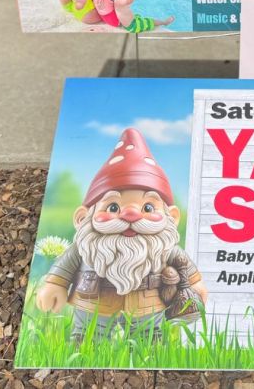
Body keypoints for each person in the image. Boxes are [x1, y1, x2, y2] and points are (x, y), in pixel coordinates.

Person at [35, 128, 207, 342]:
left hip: (147, 304)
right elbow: (66, 265)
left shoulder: (163, 248)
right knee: (87, 339)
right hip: (94, 301)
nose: (131, 215)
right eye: (113, 207)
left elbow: (184, 267)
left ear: (171, 217)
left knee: (149, 340)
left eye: (148, 208)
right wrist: (56, 284)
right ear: (83, 217)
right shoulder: (87, 246)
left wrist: (194, 285)